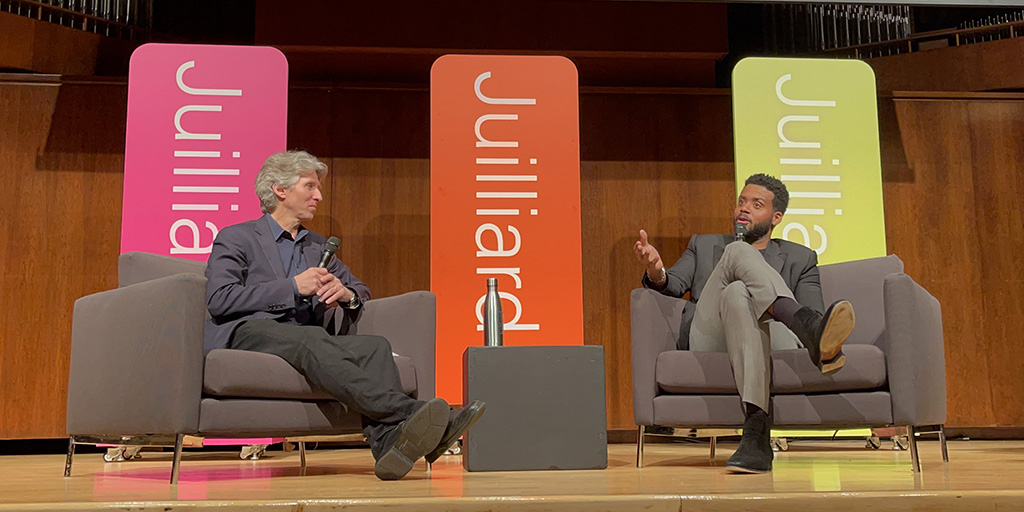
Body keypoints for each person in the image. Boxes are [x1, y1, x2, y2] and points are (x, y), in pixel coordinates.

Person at [205, 150, 485, 480]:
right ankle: (413, 414)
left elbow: (359, 291)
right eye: (310, 186)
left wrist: (346, 294)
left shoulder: (319, 247)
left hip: (305, 338)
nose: (319, 196)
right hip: (250, 331)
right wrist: (293, 287)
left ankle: (388, 447)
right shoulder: (237, 237)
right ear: (280, 190)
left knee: (375, 346)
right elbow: (219, 298)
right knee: (310, 337)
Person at [633, 173, 855, 474]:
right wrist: (656, 269)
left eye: (756, 204)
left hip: (772, 338)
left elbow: (813, 306)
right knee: (737, 251)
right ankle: (809, 329)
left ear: (776, 217)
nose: (744, 209)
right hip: (711, 334)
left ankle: (755, 437)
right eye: (741, 201)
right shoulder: (704, 244)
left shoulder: (799, 257)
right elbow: (671, 285)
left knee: (738, 291)